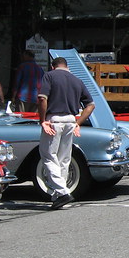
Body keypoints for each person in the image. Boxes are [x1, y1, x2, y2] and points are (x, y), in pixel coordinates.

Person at [37, 57, 95, 209]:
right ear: (67, 66)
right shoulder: (77, 80)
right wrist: (78, 122)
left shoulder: (49, 76)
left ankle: (62, 192)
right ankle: (59, 195)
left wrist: (42, 120)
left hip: (54, 119)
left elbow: (42, 98)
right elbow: (90, 105)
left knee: (48, 156)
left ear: (53, 66)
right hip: (71, 120)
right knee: (64, 158)